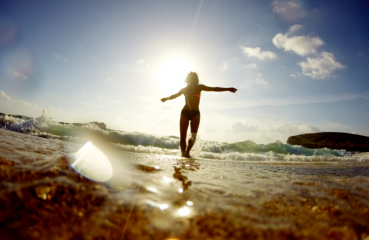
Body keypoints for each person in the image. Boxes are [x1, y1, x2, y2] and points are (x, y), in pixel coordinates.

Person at [161, 72, 237, 158]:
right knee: (183, 137)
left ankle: (187, 152)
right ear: (189, 79)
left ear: (196, 79)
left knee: (193, 136)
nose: (193, 80)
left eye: (195, 78)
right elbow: (174, 96)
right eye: (192, 78)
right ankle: (183, 154)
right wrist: (166, 98)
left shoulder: (200, 87)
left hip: (196, 113)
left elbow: (213, 89)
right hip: (184, 112)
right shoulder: (184, 89)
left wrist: (228, 89)